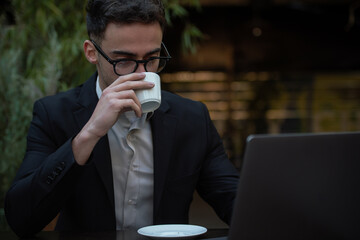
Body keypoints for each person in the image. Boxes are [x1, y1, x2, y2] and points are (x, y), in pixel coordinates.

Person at [5, 0, 239, 237]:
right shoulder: (54, 114)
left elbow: (235, 201)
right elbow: (21, 218)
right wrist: (89, 133)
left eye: (152, 58)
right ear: (92, 52)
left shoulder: (191, 118)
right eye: (124, 60)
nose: (141, 74)